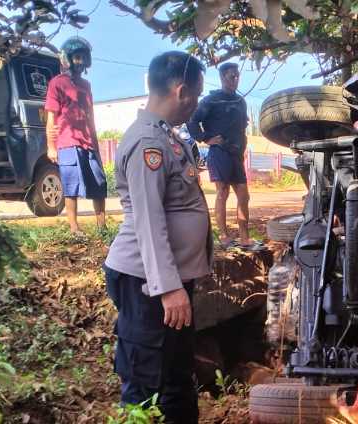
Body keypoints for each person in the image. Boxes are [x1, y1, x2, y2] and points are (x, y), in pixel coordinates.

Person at [103, 51, 211, 424]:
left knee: (177, 374)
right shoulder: (147, 143)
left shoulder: (169, 139)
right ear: (181, 91)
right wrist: (167, 288)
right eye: (196, 96)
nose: (195, 105)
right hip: (146, 283)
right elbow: (149, 220)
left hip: (169, 280)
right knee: (145, 378)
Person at [187, 62, 255, 248]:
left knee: (243, 195)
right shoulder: (211, 100)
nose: (235, 79)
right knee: (222, 193)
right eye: (231, 76)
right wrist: (205, 138)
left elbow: (241, 128)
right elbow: (192, 120)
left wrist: (242, 149)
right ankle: (224, 236)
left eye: (237, 76)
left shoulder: (240, 101)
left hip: (236, 154)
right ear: (222, 78)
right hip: (219, 153)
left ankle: (244, 237)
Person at [44, 36, 107, 234]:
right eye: (76, 57)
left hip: (87, 143)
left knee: (99, 182)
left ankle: (102, 226)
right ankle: (74, 228)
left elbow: (90, 117)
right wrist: (51, 146)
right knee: (71, 186)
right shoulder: (57, 83)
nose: (79, 61)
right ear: (67, 59)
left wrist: (96, 147)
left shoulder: (86, 85)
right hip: (66, 143)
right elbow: (51, 118)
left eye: (82, 57)